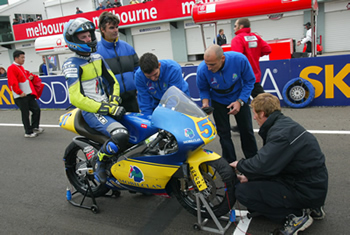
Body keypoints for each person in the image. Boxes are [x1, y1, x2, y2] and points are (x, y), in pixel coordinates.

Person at [230, 93, 328, 235]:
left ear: (262, 113)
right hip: (312, 184)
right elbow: (273, 164)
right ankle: (313, 206)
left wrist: (239, 165)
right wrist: (250, 177)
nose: (254, 117)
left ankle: (296, 215)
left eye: (255, 114)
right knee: (252, 182)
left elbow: (261, 165)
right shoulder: (283, 124)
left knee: (243, 192)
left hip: (304, 188)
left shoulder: (280, 135)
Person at [63, 17, 128, 184]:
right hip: (92, 112)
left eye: (89, 35)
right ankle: (100, 164)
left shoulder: (98, 57)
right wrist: (107, 109)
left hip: (107, 107)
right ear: (73, 40)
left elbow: (113, 82)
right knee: (120, 135)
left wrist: (113, 102)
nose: (89, 39)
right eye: (83, 37)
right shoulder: (71, 64)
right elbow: (76, 98)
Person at [196, 44, 258, 163]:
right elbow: (203, 89)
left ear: (222, 58)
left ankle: (253, 161)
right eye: (206, 63)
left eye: (212, 64)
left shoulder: (239, 60)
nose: (208, 68)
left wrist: (240, 101)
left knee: (246, 131)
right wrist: (205, 104)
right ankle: (230, 163)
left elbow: (250, 81)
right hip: (218, 100)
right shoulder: (202, 69)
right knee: (224, 134)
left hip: (239, 96)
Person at [230, 17, 271, 132]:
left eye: (235, 25)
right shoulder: (256, 37)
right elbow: (267, 49)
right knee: (263, 101)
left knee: (242, 102)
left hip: (243, 77)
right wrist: (255, 55)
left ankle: (243, 126)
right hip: (255, 75)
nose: (234, 27)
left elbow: (236, 59)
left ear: (241, 26)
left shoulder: (237, 39)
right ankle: (271, 122)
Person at [96, 12, 140, 113]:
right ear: (102, 30)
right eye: (111, 28)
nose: (115, 30)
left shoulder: (128, 48)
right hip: (110, 102)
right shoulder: (96, 52)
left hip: (132, 100)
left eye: (116, 27)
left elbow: (138, 70)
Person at [7, 50, 44, 138]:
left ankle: (34, 126)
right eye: (22, 57)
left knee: (36, 109)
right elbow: (13, 82)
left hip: (27, 93)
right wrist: (19, 92)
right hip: (21, 95)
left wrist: (29, 78)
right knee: (25, 113)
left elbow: (22, 79)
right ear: (16, 58)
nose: (24, 59)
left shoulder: (20, 67)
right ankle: (28, 132)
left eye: (24, 57)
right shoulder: (12, 68)